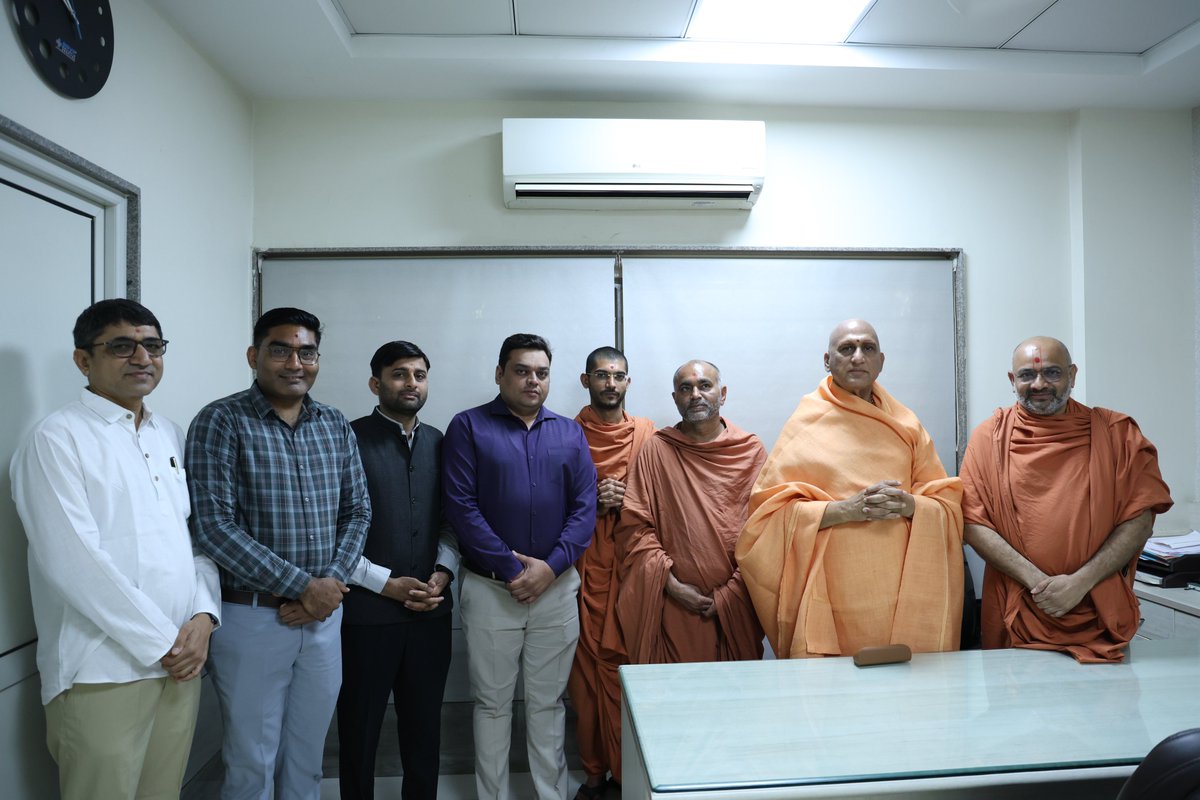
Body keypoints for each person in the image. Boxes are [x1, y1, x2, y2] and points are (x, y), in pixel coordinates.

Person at [10, 298, 220, 800]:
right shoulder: (55, 440)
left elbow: (196, 541)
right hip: (100, 672)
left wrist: (204, 617)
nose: (142, 358)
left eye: (152, 345)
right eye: (122, 346)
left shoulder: (169, 434)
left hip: (179, 666)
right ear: (84, 361)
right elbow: (73, 562)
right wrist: (164, 643)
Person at [187, 306, 371, 800]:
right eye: (280, 350)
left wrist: (326, 587)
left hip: (322, 619)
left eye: (306, 351)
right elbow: (213, 527)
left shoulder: (333, 424)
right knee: (252, 762)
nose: (295, 362)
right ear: (254, 355)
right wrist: (305, 587)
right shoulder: (220, 421)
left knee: (308, 758)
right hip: (252, 619)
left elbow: (357, 513)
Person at [737, 319, 964, 658]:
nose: (858, 357)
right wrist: (845, 510)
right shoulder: (806, 423)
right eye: (847, 349)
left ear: (881, 361)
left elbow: (946, 504)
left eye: (867, 348)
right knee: (835, 701)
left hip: (903, 595)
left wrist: (909, 505)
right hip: (832, 598)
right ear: (827, 361)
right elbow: (766, 520)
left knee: (905, 698)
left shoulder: (907, 425)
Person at [442, 333, 597, 800]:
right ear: (500, 374)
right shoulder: (468, 427)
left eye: (542, 373)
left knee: (548, 704)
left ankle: (551, 794)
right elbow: (461, 507)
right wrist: (513, 570)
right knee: (491, 705)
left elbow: (584, 507)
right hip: (492, 591)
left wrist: (548, 570)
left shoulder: (569, 432)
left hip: (556, 590)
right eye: (522, 371)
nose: (533, 381)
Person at [959, 336, 1173, 663]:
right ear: (1012, 380)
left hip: (1097, 612)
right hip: (1017, 610)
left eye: (1053, 373)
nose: (1039, 384)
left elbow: (1140, 518)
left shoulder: (1117, 435)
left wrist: (1079, 583)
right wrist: (1041, 586)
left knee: (1108, 710)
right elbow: (972, 522)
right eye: (1027, 375)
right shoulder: (989, 438)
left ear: (1073, 375)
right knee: (1013, 713)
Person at [333, 341, 459, 800]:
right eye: (399, 374)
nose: (411, 383)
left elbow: (451, 521)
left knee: (425, 728)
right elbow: (333, 528)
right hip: (366, 614)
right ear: (376, 383)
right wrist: (385, 584)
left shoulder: (441, 441)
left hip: (431, 612)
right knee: (360, 728)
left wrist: (441, 576)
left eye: (419, 375)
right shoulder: (346, 437)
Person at [615, 360, 767, 665]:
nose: (695, 394)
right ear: (675, 398)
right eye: (685, 388)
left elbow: (766, 531)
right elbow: (635, 527)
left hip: (737, 603)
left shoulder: (750, 451)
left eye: (704, 386)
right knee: (677, 702)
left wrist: (729, 593)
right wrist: (671, 584)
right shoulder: (657, 450)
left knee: (737, 702)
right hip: (672, 606)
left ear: (722, 394)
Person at [567, 347, 655, 800]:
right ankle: (594, 773)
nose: (610, 384)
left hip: (633, 571)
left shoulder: (648, 434)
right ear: (586, 381)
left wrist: (630, 499)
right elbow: (543, 504)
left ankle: (629, 775)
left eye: (618, 376)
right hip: (582, 571)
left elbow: (664, 500)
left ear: (628, 382)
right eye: (601, 376)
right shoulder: (563, 435)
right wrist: (592, 502)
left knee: (630, 675)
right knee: (584, 685)